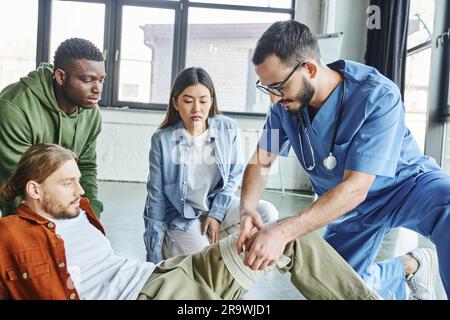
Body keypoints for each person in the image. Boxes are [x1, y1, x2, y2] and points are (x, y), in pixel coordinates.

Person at [0, 143, 380, 300]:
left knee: (286, 237)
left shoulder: (80, 210)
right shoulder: (10, 236)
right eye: (67, 183)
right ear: (34, 190)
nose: (79, 190)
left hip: (165, 274)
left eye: (78, 180)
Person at [237, 20, 448, 300]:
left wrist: (283, 232)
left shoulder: (377, 95)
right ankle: (408, 268)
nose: (274, 99)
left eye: (278, 86)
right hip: (348, 209)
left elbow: (356, 188)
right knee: (335, 287)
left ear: (309, 69)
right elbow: (262, 160)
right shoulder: (283, 109)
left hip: (406, 186)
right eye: (267, 89)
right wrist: (247, 208)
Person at [143, 67, 279, 263]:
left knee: (267, 214)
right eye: (188, 101)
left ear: (212, 101)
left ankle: (218, 251)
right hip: (183, 216)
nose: (197, 109)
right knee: (204, 262)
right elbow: (155, 198)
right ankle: (173, 244)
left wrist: (216, 215)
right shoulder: (162, 140)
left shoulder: (228, 128)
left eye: (203, 101)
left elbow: (233, 175)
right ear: (175, 103)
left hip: (219, 205)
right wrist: (153, 257)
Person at [0, 37, 105, 217]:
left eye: (102, 80)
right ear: (61, 77)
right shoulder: (15, 108)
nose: (97, 89)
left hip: (54, 204)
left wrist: (90, 216)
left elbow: (86, 168)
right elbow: (16, 185)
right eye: (88, 80)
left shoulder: (91, 112)